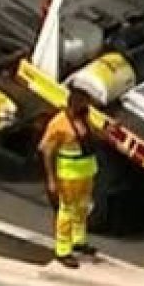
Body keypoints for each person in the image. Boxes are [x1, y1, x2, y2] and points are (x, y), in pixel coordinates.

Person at [38, 87, 100, 268]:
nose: (88, 106)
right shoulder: (59, 123)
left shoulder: (84, 118)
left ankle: (78, 241)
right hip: (69, 174)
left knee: (82, 208)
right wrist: (51, 179)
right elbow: (46, 151)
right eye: (85, 103)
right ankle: (63, 250)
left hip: (86, 170)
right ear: (75, 104)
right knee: (66, 211)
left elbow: (91, 137)